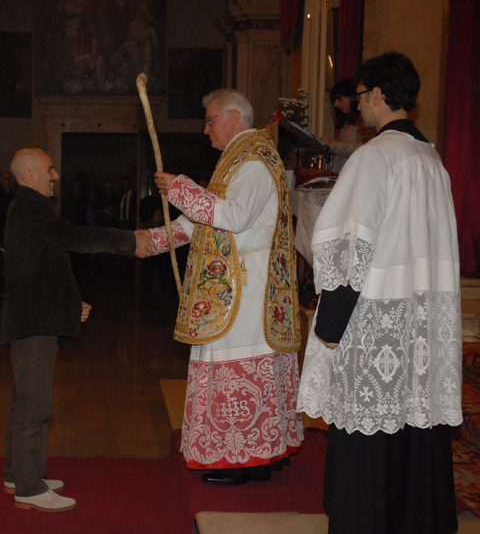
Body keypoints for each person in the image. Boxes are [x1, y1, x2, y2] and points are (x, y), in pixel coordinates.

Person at [297, 52, 461, 534]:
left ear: (377, 95)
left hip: (376, 320)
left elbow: (352, 244)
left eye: (362, 95)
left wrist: (330, 326)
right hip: (420, 316)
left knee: (369, 435)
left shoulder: (375, 157)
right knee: (414, 426)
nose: (358, 106)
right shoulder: (431, 158)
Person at [147, 89, 303, 486]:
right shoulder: (238, 161)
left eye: (210, 120)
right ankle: (263, 454)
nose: (206, 129)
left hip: (245, 290)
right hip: (241, 286)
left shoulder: (253, 162)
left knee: (241, 366)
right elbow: (203, 221)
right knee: (256, 367)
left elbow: (232, 217)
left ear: (233, 117)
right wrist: (149, 240)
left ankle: (245, 460)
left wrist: (180, 188)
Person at [0, 147, 154, 512]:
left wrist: (70, 304)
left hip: (34, 314)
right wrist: (130, 240)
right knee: (35, 405)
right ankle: (29, 487)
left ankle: (17, 474)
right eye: (50, 169)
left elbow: (44, 267)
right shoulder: (30, 208)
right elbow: (75, 238)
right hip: (33, 320)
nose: (56, 176)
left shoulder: (30, 209)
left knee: (25, 400)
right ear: (30, 175)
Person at [320, 78, 375, 173]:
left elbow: (364, 148)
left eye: (340, 99)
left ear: (352, 98)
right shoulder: (349, 121)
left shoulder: (365, 121)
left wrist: (333, 145)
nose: (336, 104)